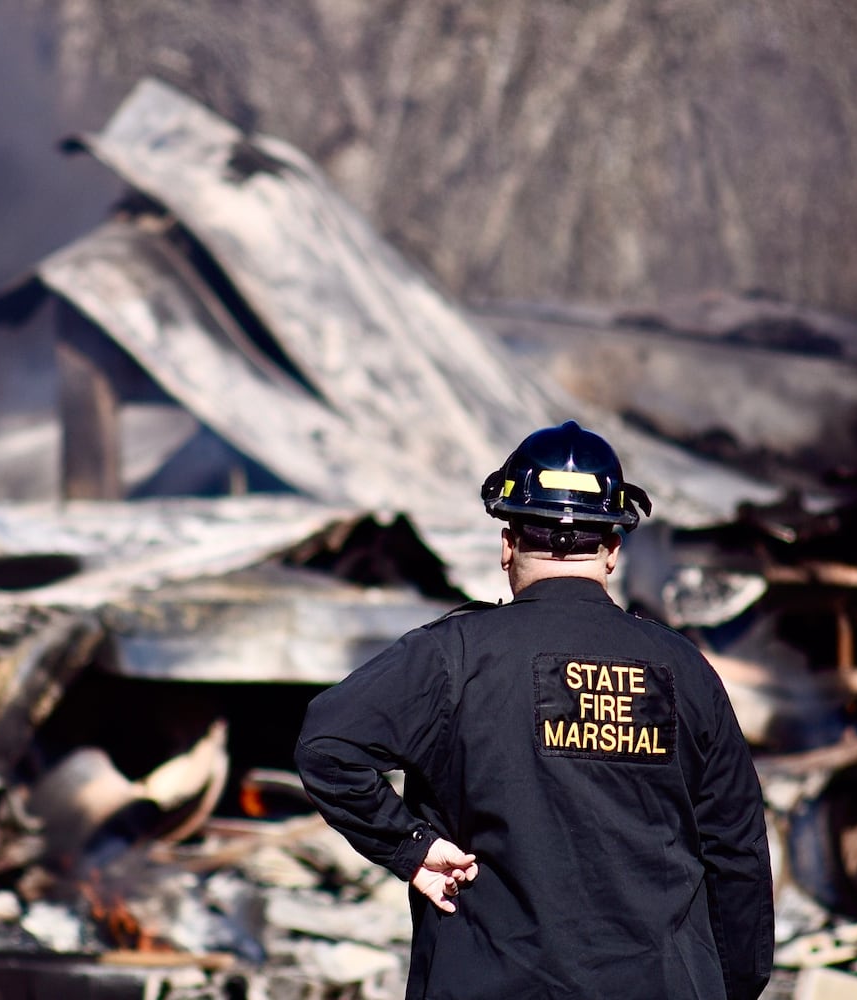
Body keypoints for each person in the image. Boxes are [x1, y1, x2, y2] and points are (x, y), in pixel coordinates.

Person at [294, 420, 774, 1000]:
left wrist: (410, 845)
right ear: (613, 548)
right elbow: (737, 849)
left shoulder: (452, 657)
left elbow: (327, 746)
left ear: (507, 543)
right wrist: (738, 982)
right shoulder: (684, 669)